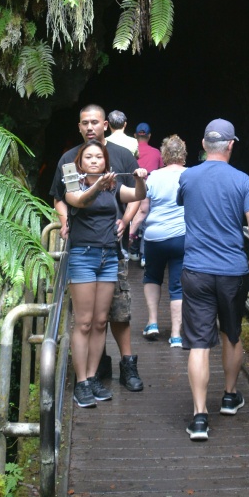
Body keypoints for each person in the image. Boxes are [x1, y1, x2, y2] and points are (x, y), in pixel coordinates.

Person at [176, 119, 249, 441]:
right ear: (231, 145)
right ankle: (229, 396)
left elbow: (184, 204)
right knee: (231, 333)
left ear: (203, 144)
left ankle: (200, 417)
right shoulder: (242, 180)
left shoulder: (188, 176)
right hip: (231, 271)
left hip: (197, 270)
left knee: (199, 343)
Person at [51, 104, 145, 392]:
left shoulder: (121, 158)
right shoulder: (69, 160)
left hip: (111, 247)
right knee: (85, 320)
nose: (90, 127)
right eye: (84, 123)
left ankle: (113, 368)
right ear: (79, 127)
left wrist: (126, 221)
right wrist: (65, 220)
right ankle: (86, 378)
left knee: (110, 313)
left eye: (95, 122)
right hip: (83, 248)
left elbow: (134, 195)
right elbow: (66, 198)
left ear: (105, 125)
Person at [131, 134, 188, 347]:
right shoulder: (191, 175)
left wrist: (130, 232)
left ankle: (153, 323)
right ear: (183, 155)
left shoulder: (153, 177)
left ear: (163, 156)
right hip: (182, 237)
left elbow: (143, 209)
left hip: (155, 238)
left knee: (152, 277)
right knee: (177, 286)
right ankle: (175, 335)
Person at [129, 125, 162, 261]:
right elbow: (160, 171)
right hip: (149, 190)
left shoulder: (131, 151)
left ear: (135, 136)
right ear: (149, 136)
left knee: (131, 219)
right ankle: (144, 256)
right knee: (147, 222)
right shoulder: (156, 153)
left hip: (131, 189)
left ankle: (132, 250)